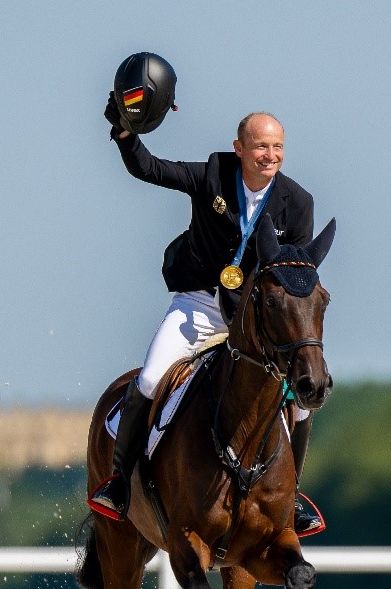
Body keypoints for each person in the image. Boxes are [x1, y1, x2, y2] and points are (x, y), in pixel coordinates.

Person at [89, 105, 323, 535]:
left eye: (277, 148)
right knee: (148, 378)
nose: (269, 156)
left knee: (301, 406)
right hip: (199, 306)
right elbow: (150, 169)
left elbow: (296, 279)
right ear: (239, 148)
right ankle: (121, 482)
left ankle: (293, 498)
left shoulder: (298, 203)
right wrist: (124, 133)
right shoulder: (213, 175)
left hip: (255, 321)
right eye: (260, 147)